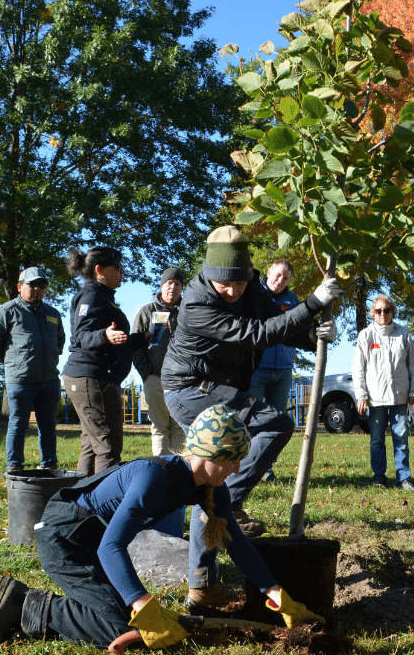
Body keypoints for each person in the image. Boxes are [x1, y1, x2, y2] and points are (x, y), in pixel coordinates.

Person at [0, 406, 324, 649]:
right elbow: (110, 548)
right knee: (120, 624)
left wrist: (277, 595)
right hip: (65, 539)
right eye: (231, 460)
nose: (236, 469)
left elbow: (236, 544)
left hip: (92, 541)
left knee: (127, 619)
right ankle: (27, 605)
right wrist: (141, 603)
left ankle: (47, 606)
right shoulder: (154, 478)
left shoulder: (210, 486)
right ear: (208, 456)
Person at [161, 225, 342, 610]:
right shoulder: (195, 304)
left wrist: (313, 336)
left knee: (209, 486)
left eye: (239, 285)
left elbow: (274, 321)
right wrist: (312, 303)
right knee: (269, 429)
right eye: (224, 285)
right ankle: (232, 503)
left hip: (218, 387)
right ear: (208, 276)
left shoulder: (250, 288)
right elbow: (254, 334)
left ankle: (203, 581)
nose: (232, 292)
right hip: (191, 391)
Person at [62, 246, 143, 476]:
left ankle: (80, 505)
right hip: (92, 378)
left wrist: (140, 339)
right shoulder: (92, 296)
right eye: (116, 267)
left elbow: (112, 340)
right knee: (108, 446)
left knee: (91, 444)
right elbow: (82, 336)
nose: (122, 271)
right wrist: (104, 335)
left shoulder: (102, 297)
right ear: (99, 270)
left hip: (92, 377)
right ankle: (102, 507)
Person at [0, 267, 65, 472]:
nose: (37, 289)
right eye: (32, 285)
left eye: (42, 285)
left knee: (48, 425)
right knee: (18, 424)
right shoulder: (6, 311)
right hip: (20, 381)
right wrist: (13, 363)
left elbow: (60, 341)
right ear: (20, 287)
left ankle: (49, 464)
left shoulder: (53, 314)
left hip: (49, 380)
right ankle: (14, 465)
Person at [352, 294, 414, 490]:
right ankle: (379, 477)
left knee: (401, 438)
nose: (382, 314)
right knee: (377, 440)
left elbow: (413, 365)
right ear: (373, 314)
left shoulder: (404, 334)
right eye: (378, 311)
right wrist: (361, 395)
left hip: (400, 396)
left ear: (393, 312)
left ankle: (403, 478)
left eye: (386, 310)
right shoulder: (366, 336)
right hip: (375, 399)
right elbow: (358, 369)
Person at [247, 259, 300, 482]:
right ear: (268, 272)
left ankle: (267, 469)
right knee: (252, 419)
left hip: (283, 370)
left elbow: (300, 326)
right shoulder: (253, 293)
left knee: (276, 421)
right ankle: (247, 467)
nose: (280, 281)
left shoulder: (293, 300)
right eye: (277, 275)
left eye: (285, 278)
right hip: (256, 368)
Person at [132, 267, 186, 456]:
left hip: (183, 381)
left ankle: (181, 471)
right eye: (169, 283)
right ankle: (163, 470)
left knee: (180, 427)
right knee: (160, 427)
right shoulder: (147, 311)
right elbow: (135, 345)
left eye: (178, 284)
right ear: (162, 286)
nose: (173, 287)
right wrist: (146, 374)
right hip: (155, 377)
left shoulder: (188, 312)